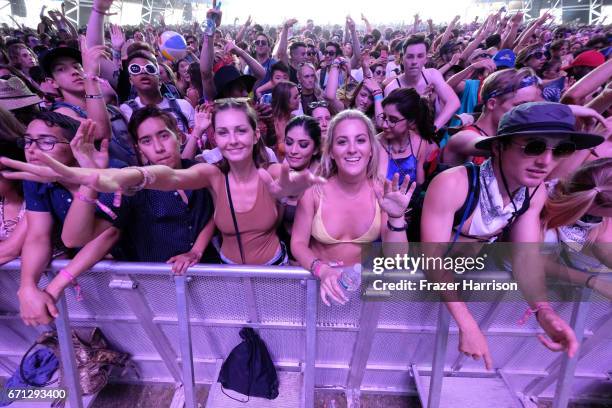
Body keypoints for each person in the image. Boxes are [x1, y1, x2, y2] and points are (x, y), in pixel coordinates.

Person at [2, 99, 325, 266]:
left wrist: (288, 190)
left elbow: (289, 186)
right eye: (223, 132)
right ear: (214, 137)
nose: (233, 140)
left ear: (256, 134)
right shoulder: (210, 174)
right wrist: (78, 175)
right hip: (226, 271)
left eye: (241, 130)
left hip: (274, 267)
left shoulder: (270, 173)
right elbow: (158, 176)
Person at [421, 102, 604, 367]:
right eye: (533, 147)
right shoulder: (454, 184)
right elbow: (432, 260)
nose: (545, 161)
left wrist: (545, 312)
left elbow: (526, 259)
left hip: (459, 280)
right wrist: (467, 323)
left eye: (561, 150)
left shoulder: (533, 192)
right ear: (498, 146)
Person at [60, 107, 217, 273]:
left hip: (209, 275)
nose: (158, 148)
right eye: (146, 141)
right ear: (139, 148)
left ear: (178, 136)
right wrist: (89, 176)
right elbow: (73, 238)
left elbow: (212, 214)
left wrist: (196, 250)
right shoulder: (134, 185)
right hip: (158, 284)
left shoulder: (198, 170)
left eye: (163, 136)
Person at [291, 110, 415, 305]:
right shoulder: (313, 192)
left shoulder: (383, 192)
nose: (352, 149)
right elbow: (297, 244)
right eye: (342, 142)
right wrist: (321, 270)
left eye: (360, 140)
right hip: (317, 283)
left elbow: (396, 257)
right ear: (331, 151)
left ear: (371, 149)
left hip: (359, 289)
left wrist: (396, 218)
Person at [442, 68, 542, 166]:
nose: (528, 113)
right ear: (492, 104)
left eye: (531, 107)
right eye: (521, 106)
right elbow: (480, 143)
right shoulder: (464, 137)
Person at [542, 158, 612, 299]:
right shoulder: (542, 210)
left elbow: (605, 247)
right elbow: (532, 262)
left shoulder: (592, 206)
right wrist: (593, 281)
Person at [384, 35, 460, 132]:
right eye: (410, 56)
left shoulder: (432, 75)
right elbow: (393, 125)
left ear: (425, 59)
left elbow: (454, 102)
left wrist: (434, 128)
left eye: (420, 56)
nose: (415, 61)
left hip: (433, 134)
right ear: (402, 59)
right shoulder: (392, 89)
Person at [120, 51, 195, 136]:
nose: (143, 72)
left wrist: (183, 137)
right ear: (131, 80)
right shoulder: (126, 110)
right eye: (135, 69)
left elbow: (201, 140)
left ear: (159, 79)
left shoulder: (183, 106)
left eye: (149, 68)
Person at [378, 88, 438, 187]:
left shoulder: (419, 143)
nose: (384, 125)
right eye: (384, 117)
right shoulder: (377, 144)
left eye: (393, 120)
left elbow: (419, 183)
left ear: (411, 122)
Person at [271, 81, 300, 160]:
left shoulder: (294, 119)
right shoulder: (270, 123)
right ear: (284, 101)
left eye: (298, 96)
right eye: (295, 97)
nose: (299, 99)